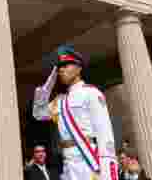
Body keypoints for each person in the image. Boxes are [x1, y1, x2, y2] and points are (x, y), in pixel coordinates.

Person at [33, 44, 119, 180]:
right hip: (68, 163)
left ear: (78, 68)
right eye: (60, 67)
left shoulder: (91, 93)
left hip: (89, 161)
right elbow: (38, 114)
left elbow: (105, 133)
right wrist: (45, 90)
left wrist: (109, 171)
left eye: (66, 65)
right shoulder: (59, 101)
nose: (61, 70)